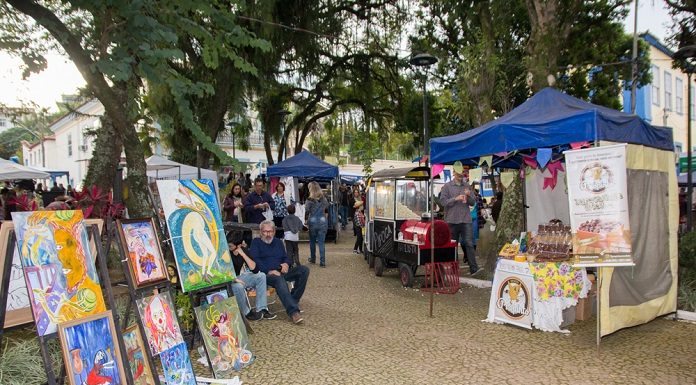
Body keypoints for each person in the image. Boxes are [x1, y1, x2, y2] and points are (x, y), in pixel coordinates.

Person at [250, 220, 310, 324]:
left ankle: (293, 300)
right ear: (261, 232)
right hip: (265, 275)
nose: (268, 234)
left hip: (281, 272)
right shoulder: (256, 243)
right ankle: (293, 312)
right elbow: (255, 261)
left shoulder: (278, 242)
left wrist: (286, 264)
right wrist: (269, 271)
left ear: (274, 231)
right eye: (265, 231)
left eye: (270, 231)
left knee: (304, 270)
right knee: (278, 279)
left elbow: (286, 257)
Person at [439, 169, 482, 276]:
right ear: (454, 174)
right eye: (458, 175)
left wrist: (468, 196)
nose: (460, 177)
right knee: (453, 245)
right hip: (451, 220)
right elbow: (442, 202)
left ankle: (474, 269)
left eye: (462, 175)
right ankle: (454, 270)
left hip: (465, 220)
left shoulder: (467, 186)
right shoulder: (447, 186)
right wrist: (455, 198)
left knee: (469, 243)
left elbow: (473, 203)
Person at [226, 231, 276, 321]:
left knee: (261, 276)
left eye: (230, 246)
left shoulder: (243, 250)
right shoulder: (224, 252)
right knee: (238, 286)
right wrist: (234, 279)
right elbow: (222, 272)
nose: (228, 248)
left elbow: (255, 270)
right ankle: (246, 312)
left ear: (239, 245)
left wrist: (243, 254)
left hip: (238, 277)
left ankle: (261, 309)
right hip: (228, 280)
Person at [305, 181, 329, 267]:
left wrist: (305, 220)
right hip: (322, 220)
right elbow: (326, 209)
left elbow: (307, 211)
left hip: (313, 220)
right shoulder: (324, 198)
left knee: (312, 241)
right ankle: (322, 262)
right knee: (321, 242)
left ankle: (313, 258)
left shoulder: (309, 200)